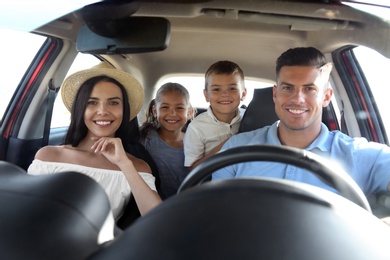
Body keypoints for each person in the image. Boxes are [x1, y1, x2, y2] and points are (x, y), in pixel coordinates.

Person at [212, 47, 390, 200]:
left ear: (326, 97)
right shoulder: (236, 149)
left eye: (310, 89)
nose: (297, 99)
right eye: (287, 88)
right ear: (275, 94)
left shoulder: (360, 155)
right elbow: (217, 214)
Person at [28, 62, 162, 221]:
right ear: (81, 109)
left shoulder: (137, 166)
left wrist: (124, 164)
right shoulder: (49, 156)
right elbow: (27, 212)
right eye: (92, 102)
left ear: (124, 110)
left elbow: (157, 219)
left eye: (113, 103)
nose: (103, 111)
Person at [184, 60, 247, 169]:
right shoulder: (196, 128)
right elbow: (192, 168)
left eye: (232, 88)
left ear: (243, 93)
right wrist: (228, 144)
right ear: (206, 95)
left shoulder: (252, 118)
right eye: (216, 89)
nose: (224, 94)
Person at [140, 83, 194, 199]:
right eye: (165, 107)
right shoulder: (146, 138)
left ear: (189, 112)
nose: (172, 113)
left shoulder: (197, 142)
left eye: (179, 108)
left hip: (189, 205)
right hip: (154, 207)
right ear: (155, 111)